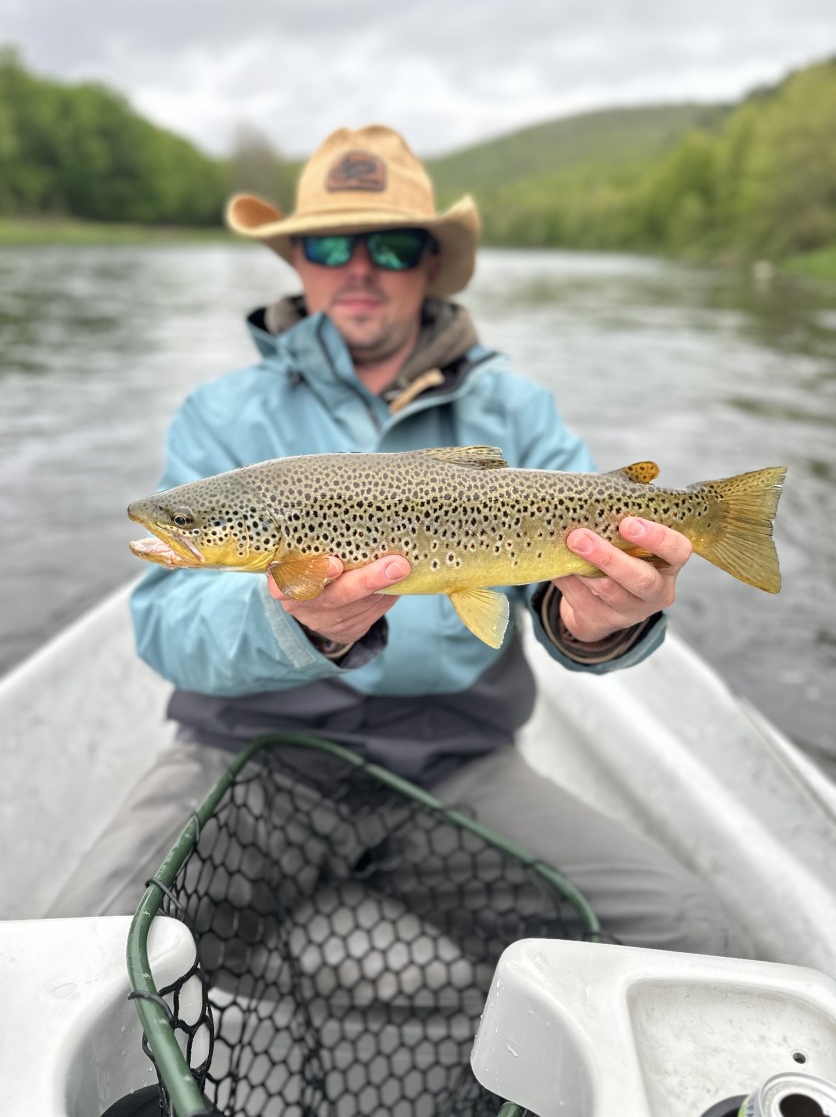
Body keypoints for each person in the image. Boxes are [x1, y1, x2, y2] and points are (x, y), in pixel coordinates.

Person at [49, 125, 750, 958]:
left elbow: (562, 597)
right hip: (254, 755)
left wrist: (602, 622)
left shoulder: (517, 412)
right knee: (81, 963)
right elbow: (166, 623)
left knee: (692, 934)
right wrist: (300, 625)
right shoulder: (222, 417)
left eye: (389, 244)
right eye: (329, 243)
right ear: (298, 261)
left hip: (456, 763)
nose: (356, 265)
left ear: (428, 263)